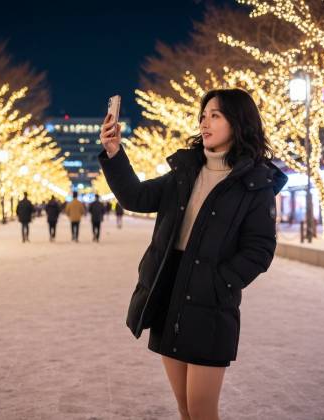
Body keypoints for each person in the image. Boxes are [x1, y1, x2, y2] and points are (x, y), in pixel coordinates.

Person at [99, 88, 287, 420]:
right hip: (169, 294)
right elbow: (136, 197)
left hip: (210, 306)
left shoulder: (255, 184)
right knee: (185, 409)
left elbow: (260, 249)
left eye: (215, 115)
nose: (204, 123)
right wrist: (114, 152)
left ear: (238, 122)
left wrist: (219, 282)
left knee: (201, 410)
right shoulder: (185, 172)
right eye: (203, 115)